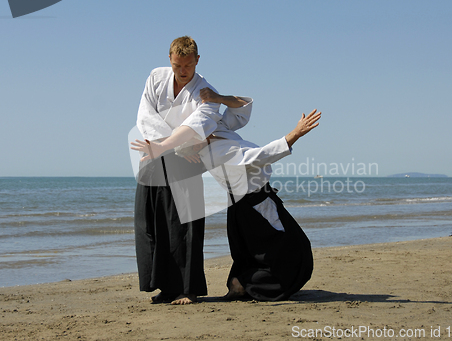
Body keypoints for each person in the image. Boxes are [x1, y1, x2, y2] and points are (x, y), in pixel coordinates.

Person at [132, 89, 320, 301]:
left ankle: (240, 284)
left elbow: (241, 108)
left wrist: (217, 99)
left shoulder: (217, 129)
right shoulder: (216, 153)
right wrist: (295, 134)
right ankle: (246, 284)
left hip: (245, 204)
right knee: (293, 249)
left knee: (256, 252)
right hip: (255, 204)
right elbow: (260, 156)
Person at [134, 36, 223, 305]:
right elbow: (145, 115)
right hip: (155, 151)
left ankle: (188, 288)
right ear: (169, 60)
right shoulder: (155, 78)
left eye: (187, 65)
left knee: (185, 224)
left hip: (186, 159)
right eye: (177, 66)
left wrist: (177, 145)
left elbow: (200, 125)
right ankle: (164, 285)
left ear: (197, 60)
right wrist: (166, 145)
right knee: (150, 219)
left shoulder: (205, 90)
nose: (182, 72)